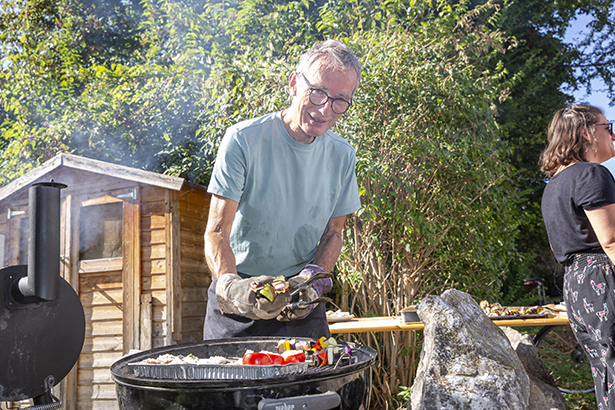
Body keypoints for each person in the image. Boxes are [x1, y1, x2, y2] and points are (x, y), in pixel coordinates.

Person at [202, 39, 362, 340]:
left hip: (301, 298)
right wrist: (229, 285)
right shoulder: (242, 140)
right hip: (241, 295)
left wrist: (312, 280)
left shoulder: (343, 155)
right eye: (318, 93)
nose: (325, 109)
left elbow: (334, 233)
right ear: (293, 84)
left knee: (311, 385)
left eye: (340, 100)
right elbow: (217, 231)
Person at [540, 104, 615, 408]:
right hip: (602, 277)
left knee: (606, 374)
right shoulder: (592, 174)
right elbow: (611, 240)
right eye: (607, 127)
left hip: (576, 284)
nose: (613, 134)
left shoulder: (554, 185)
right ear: (587, 133)